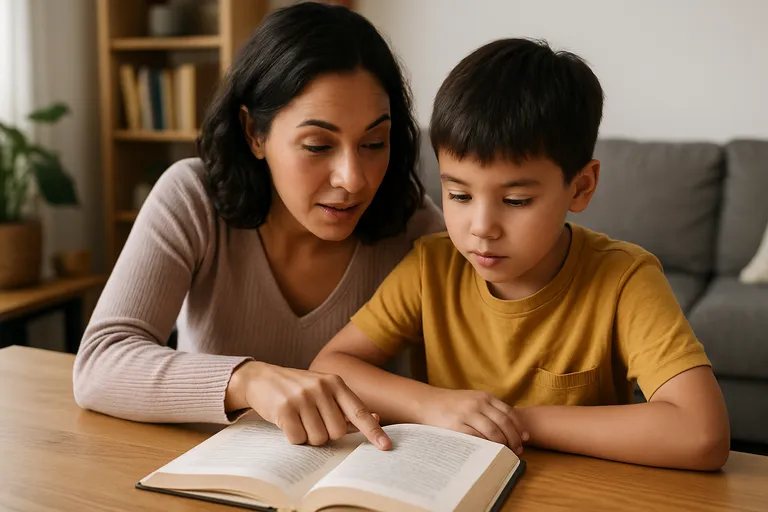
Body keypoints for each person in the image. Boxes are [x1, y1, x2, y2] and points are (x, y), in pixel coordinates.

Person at [310, 38, 731, 470]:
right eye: (458, 194)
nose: (481, 227)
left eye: (515, 201)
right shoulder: (431, 266)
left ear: (581, 187)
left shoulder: (625, 278)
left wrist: (517, 422)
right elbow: (330, 366)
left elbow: (701, 434)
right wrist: (431, 405)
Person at [73, 2, 443, 450]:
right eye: (317, 145)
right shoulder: (192, 199)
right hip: (206, 472)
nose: (353, 178)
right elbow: (99, 364)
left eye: (373, 142)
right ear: (254, 133)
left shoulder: (412, 223)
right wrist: (248, 380)